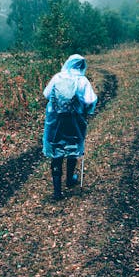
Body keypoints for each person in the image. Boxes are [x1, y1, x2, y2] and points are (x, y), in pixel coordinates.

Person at [42, 54, 98, 200]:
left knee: (56, 150)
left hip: (55, 121)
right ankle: (69, 179)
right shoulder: (82, 80)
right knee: (72, 147)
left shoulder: (57, 77)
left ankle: (57, 191)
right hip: (74, 120)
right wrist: (87, 111)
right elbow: (90, 100)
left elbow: (46, 94)